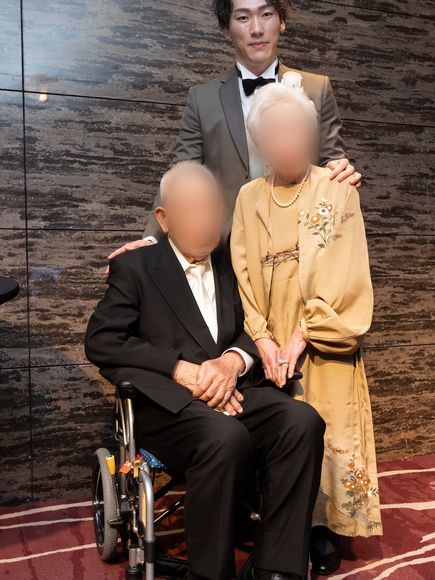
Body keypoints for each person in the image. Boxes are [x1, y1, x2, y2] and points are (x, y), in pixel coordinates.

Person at [85, 160, 325, 580]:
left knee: (302, 421)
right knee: (224, 437)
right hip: (169, 407)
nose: (206, 218)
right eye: (192, 208)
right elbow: (102, 341)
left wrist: (233, 360)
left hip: (234, 390)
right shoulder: (137, 267)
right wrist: (179, 369)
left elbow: (258, 325)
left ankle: (276, 568)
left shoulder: (234, 262)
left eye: (211, 206)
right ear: (164, 219)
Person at [230, 83, 383, 575]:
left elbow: (346, 272)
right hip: (271, 340)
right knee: (285, 433)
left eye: (296, 130)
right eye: (275, 132)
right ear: (260, 142)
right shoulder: (248, 197)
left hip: (322, 336)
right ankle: (282, 524)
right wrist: (263, 338)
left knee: (329, 428)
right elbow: (243, 273)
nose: (287, 141)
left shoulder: (336, 189)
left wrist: (300, 337)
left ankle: (322, 527)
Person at [107, 0, 361, 264]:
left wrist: (342, 172)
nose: (257, 29)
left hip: (306, 250)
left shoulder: (317, 89)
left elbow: (332, 162)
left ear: (282, 22)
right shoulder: (202, 99)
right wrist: (151, 238)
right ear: (225, 29)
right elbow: (180, 172)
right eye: (243, 18)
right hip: (227, 253)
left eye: (266, 14)